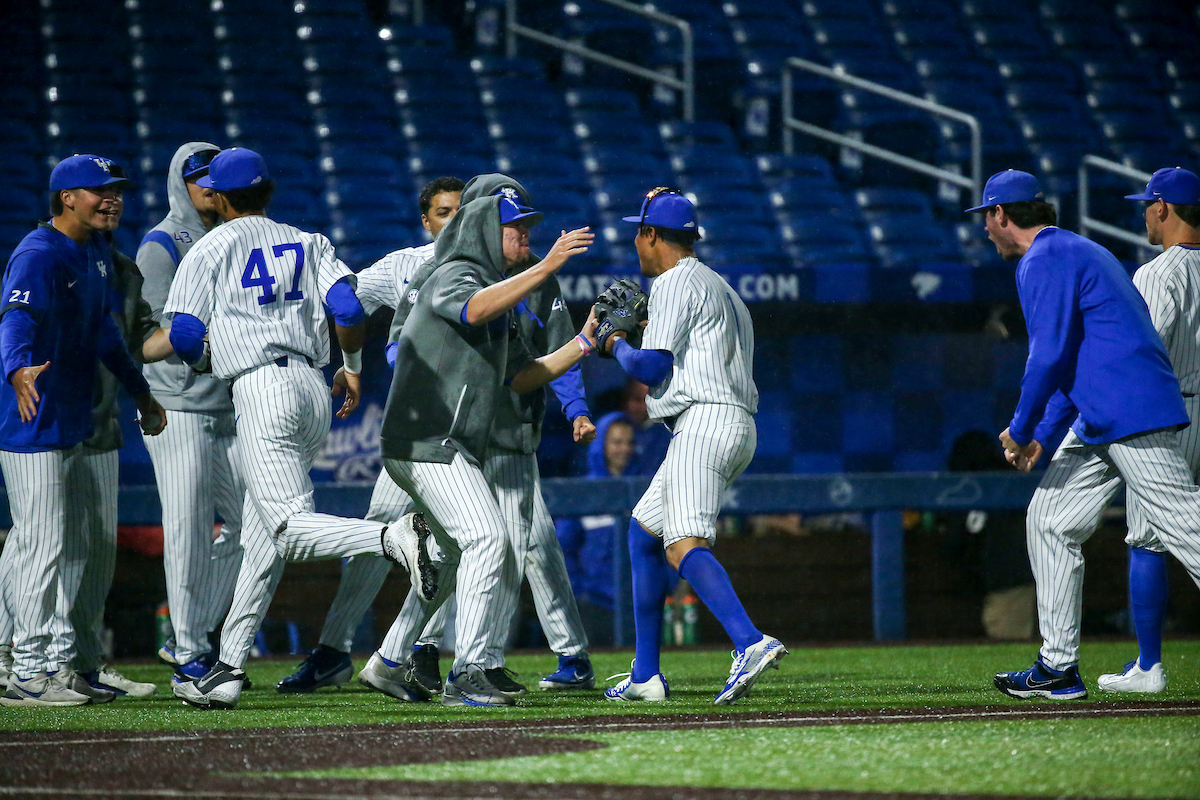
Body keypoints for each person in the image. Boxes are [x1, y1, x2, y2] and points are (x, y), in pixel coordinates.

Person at [162, 147, 435, 710]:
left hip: (259, 386)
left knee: (286, 527)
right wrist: (351, 368)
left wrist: (222, 359)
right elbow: (350, 309)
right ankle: (229, 667)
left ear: (219, 194)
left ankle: (392, 537)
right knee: (264, 538)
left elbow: (186, 337)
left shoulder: (209, 245)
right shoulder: (310, 241)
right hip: (313, 387)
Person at [359, 175, 599, 701]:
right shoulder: (454, 272)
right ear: (488, 230)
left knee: (450, 557)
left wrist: (586, 339)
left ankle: (388, 660)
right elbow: (470, 309)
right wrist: (548, 266)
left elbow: (524, 375)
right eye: (517, 229)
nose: (528, 237)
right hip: (426, 439)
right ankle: (468, 671)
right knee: (490, 539)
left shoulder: (502, 294)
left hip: (449, 444)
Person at [965, 169, 1200, 700]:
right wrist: (1042, 437)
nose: (985, 231)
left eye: (987, 219)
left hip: (1131, 409)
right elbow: (1075, 359)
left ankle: (1059, 667)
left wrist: (1021, 427)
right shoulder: (1072, 249)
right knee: (1049, 520)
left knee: (1187, 526)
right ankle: (1058, 667)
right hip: (1102, 412)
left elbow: (1047, 355)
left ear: (1002, 215)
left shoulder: (1044, 258)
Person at [276, 175, 465, 693]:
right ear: (426, 221)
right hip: (415, 428)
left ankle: (423, 651)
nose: (454, 220)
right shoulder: (404, 265)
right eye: (444, 212)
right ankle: (336, 648)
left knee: (468, 541)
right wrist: (342, 359)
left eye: (461, 210)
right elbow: (345, 303)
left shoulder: (492, 270)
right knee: (383, 535)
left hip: (470, 429)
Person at [599, 188, 786, 705]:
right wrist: (638, 330)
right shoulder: (719, 286)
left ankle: (750, 641)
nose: (635, 241)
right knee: (643, 533)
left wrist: (614, 343)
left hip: (702, 423)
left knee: (682, 543)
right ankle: (645, 675)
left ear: (651, 235)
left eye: (638, 232)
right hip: (729, 422)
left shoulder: (674, 282)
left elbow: (651, 368)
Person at [0, 155, 168, 706]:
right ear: (66, 197)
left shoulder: (95, 252)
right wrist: (15, 365)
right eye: (99, 191)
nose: (112, 199)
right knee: (40, 543)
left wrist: (140, 392)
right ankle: (25, 669)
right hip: (32, 421)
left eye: (116, 190)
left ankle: (52, 664)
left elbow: (105, 337)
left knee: (66, 545)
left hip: (69, 418)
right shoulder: (39, 252)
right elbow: (16, 317)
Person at [136, 142, 246, 685]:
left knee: (254, 526)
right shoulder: (161, 245)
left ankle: (191, 630)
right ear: (181, 183)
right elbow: (150, 335)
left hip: (227, 406)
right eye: (196, 177)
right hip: (176, 408)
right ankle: (188, 650)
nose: (207, 185)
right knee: (186, 530)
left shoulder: (233, 237)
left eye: (214, 176)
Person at [1096, 167, 1200, 693]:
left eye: (1147, 205)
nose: (1143, 215)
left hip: (1170, 414)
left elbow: (1145, 351)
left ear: (1163, 208)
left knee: (1149, 540)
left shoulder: (1159, 273)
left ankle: (1148, 665)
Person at [556, 411, 643, 646]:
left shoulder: (646, 489)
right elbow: (563, 547)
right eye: (616, 442)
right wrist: (579, 592)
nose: (623, 449)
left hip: (640, 603)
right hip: (593, 605)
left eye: (629, 442)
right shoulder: (585, 492)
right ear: (602, 444)